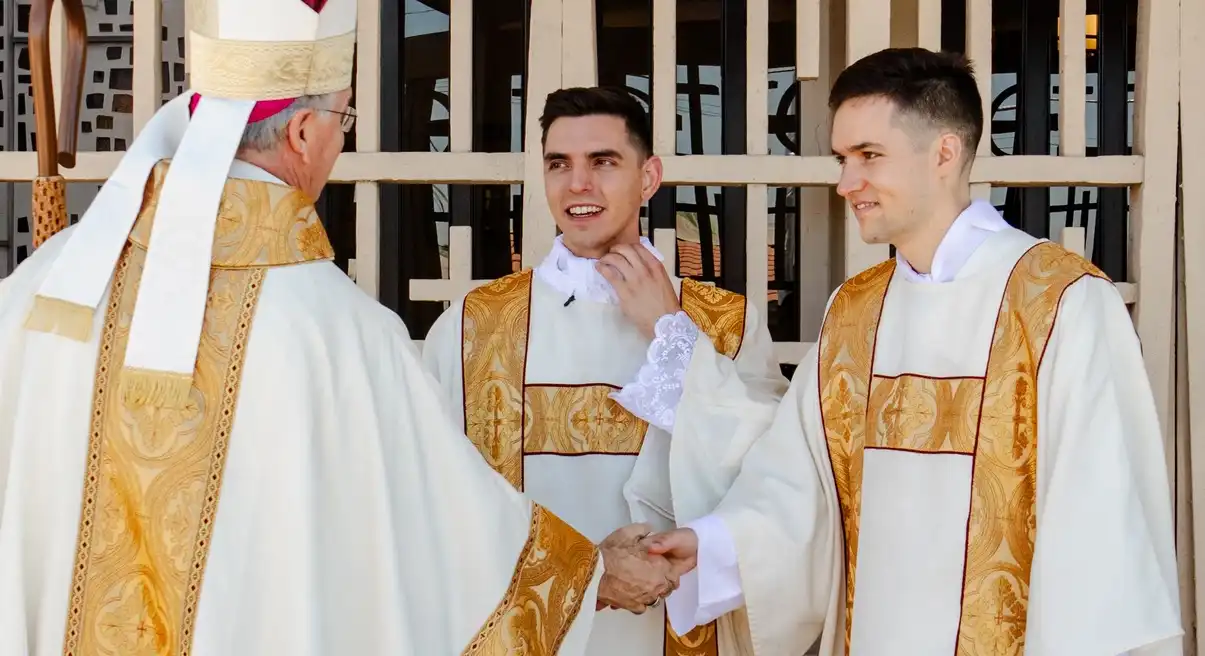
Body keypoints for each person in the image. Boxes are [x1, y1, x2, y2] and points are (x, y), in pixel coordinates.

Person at [0, 2, 679, 654]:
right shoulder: (341, 335)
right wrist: (591, 572)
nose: (339, 137)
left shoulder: (48, 291)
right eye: (342, 117)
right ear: (301, 132)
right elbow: (434, 540)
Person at [645, 47, 1183, 655]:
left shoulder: (1062, 305)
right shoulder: (855, 313)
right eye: (843, 159)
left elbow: (1102, 529)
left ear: (945, 153)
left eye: (869, 156)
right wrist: (715, 547)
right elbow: (797, 486)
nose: (847, 183)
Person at [420, 86, 789, 654]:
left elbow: (775, 483)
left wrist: (673, 334)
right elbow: (431, 496)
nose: (578, 185)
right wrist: (591, 572)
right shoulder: (472, 327)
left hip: (674, 631)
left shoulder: (726, 325)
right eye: (558, 164)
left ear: (648, 178)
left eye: (604, 162)